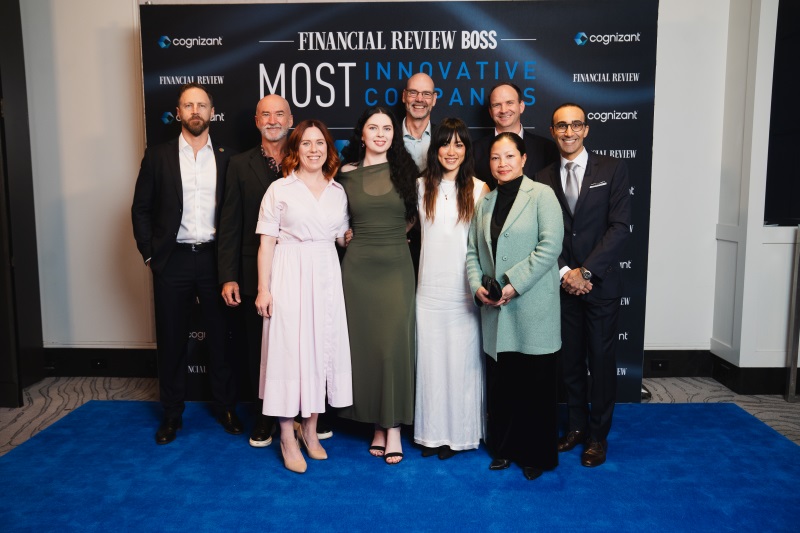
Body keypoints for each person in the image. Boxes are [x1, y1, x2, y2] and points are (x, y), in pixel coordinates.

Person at [132, 83, 241, 444]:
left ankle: (226, 407)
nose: (196, 111)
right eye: (188, 105)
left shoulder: (228, 158)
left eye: (202, 105)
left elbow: (234, 216)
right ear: (178, 113)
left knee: (222, 340)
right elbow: (141, 210)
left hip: (215, 261)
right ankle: (172, 414)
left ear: (212, 112)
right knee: (172, 339)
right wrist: (151, 255)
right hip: (172, 261)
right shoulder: (158, 156)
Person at [534, 103, 631, 467]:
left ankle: (597, 436)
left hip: (600, 285)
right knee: (570, 363)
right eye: (561, 126)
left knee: (602, 363)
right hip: (562, 286)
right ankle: (575, 426)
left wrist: (585, 273)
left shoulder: (613, 168)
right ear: (553, 130)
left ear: (586, 130)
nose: (568, 132)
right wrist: (565, 274)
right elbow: (543, 235)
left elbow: (619, 228)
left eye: (576, 125)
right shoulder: (542, 178)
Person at [254, 120, 352, 474]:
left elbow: (342, 237)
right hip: (289, 271)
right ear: (296, 150)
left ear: (328, 149)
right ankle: (286, 435)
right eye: (307, 144)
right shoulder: (279, 189)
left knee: (320, 350)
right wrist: (264, 288)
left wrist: (359, 236)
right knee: (288, 353)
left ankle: (310, 431)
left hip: (326, 273)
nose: (314, 150)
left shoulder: (337, 191)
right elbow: (266, 242)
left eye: (320, 144)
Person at [465, 132, 564, 480]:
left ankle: (536, 454)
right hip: (496, 310)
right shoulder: (485, 202)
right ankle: (504, 449)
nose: (502, 164)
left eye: (509, 156)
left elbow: (550, 246)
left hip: (532, 306)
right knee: (504, 386)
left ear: (523, 159)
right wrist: (478, 285)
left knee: (535, 385)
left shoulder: (542, 195)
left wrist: (512, 284)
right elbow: (473, 252)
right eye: (495, 158)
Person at [337, 107, 418, 465]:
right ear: (362, 133)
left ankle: (394, 427)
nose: (381, 133)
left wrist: (394, 236)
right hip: (358, 271)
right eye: (374, 127)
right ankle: (377, 426)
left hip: (397, 269)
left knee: (393, 347)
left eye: (387, 128)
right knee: (366, 348)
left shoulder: (408, 172)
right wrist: (343, 238)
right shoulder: (343, 174)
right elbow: (334, 221)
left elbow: (414, 216)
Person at [217, 95, 291, 448]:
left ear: (291, 119)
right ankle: (264, 416)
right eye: (266, 114)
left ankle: (300, 412)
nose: (273, 120)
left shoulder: (306, 156)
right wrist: (228, 275)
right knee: (257, 349)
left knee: (296, 344)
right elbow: (229, 223)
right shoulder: (238, 164)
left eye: (279, 114)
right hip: (250, 271)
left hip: (297, 270)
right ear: (256, 121)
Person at [414, 118, 489, 460]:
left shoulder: (479, 188)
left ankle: (459, 435)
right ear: (436, 149)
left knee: (462, 365)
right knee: (430, 364)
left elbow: (485, 245)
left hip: (463, 292)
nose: (452, 151)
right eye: (446, 143)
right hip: (427, 291)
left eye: (459, 144)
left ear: (466, 150)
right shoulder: (418, 187)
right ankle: (431, 434)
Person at [473, 83, 559, 190]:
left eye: (509, 103)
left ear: (521, 106)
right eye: (496, 105)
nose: (503, 110)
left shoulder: (547, 149)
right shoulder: (473, 151)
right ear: (490, 111)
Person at [401, 72, 437, 172]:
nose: (419, 99)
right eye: (413, 92)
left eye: (426, 94)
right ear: (404, 96)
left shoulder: (444, 137)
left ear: (434, 99)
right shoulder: (388, 138)